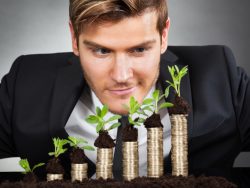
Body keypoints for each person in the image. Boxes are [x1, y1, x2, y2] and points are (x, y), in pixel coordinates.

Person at [0, 0, 249, 186]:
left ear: (163, 36)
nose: (121, 76)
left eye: (139, 49)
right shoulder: (26, 81)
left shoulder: (220, 75)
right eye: (101, 51)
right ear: (74, 39)